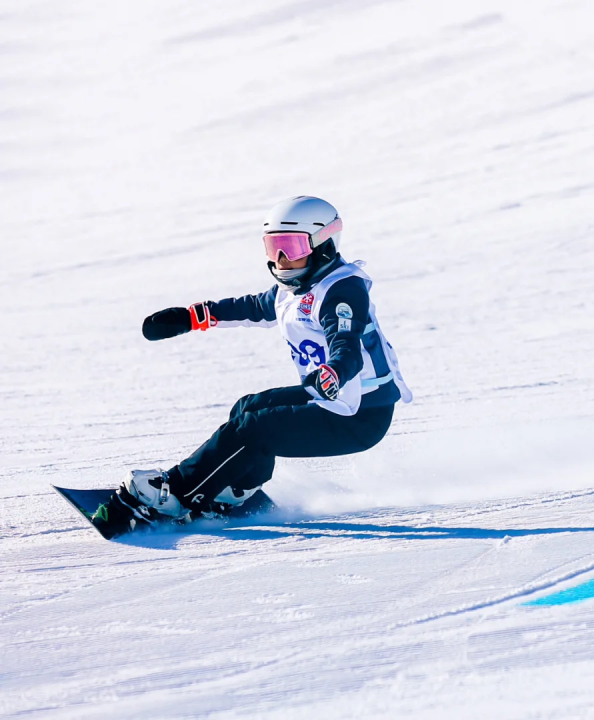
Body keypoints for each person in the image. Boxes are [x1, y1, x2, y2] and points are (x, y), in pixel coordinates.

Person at [94, 196, 412, 536]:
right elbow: (254, 307)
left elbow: (345, 344)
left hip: (360, 413)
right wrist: (193, 316)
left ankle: (178, 496)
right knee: (248, 408)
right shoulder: (297, 287)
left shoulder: (342, 290)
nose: (281, 259)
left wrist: (334, 372)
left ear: (324, 245)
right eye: (274, 247)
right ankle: (233, 492)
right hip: (332, 397)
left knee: (258, 429)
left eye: (292, 247)